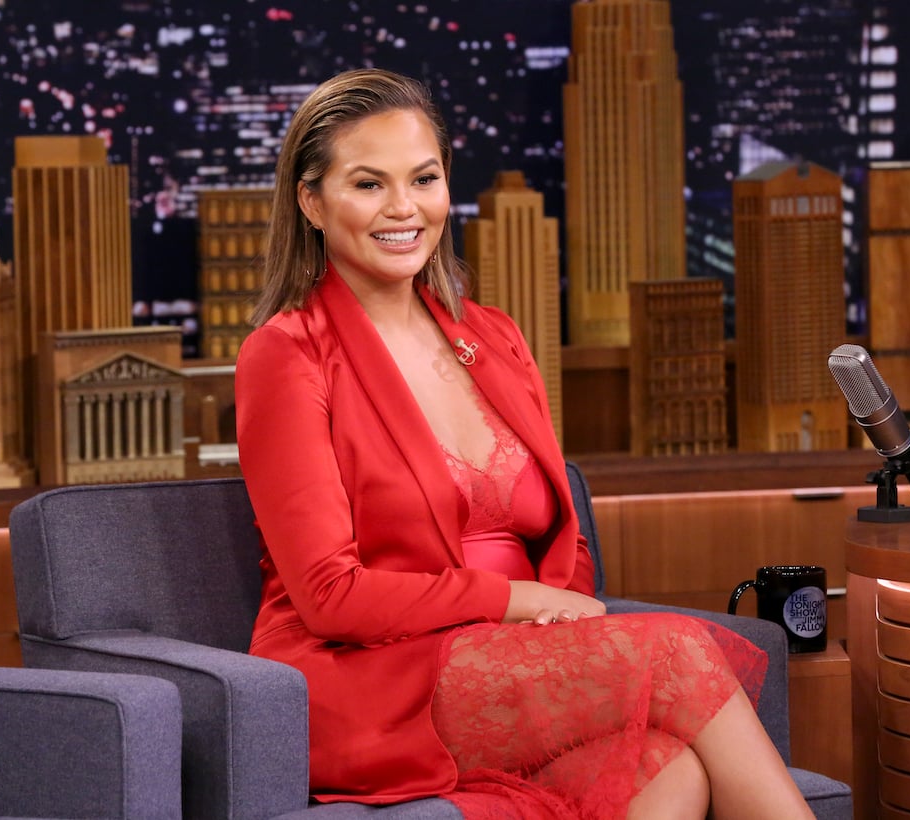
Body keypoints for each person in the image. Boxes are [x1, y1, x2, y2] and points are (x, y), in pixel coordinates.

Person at [234, 67, 814, 819]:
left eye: (425, 178)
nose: (404, 208)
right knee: (676, 648)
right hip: (375, 680)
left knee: (665, 769)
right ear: (312, 201)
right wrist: (516, 601)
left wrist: (553, 612)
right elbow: (332, 598)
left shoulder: (494, 337)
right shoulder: (288, 354)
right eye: (369, 184)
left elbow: (561, 537)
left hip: (512, 662)